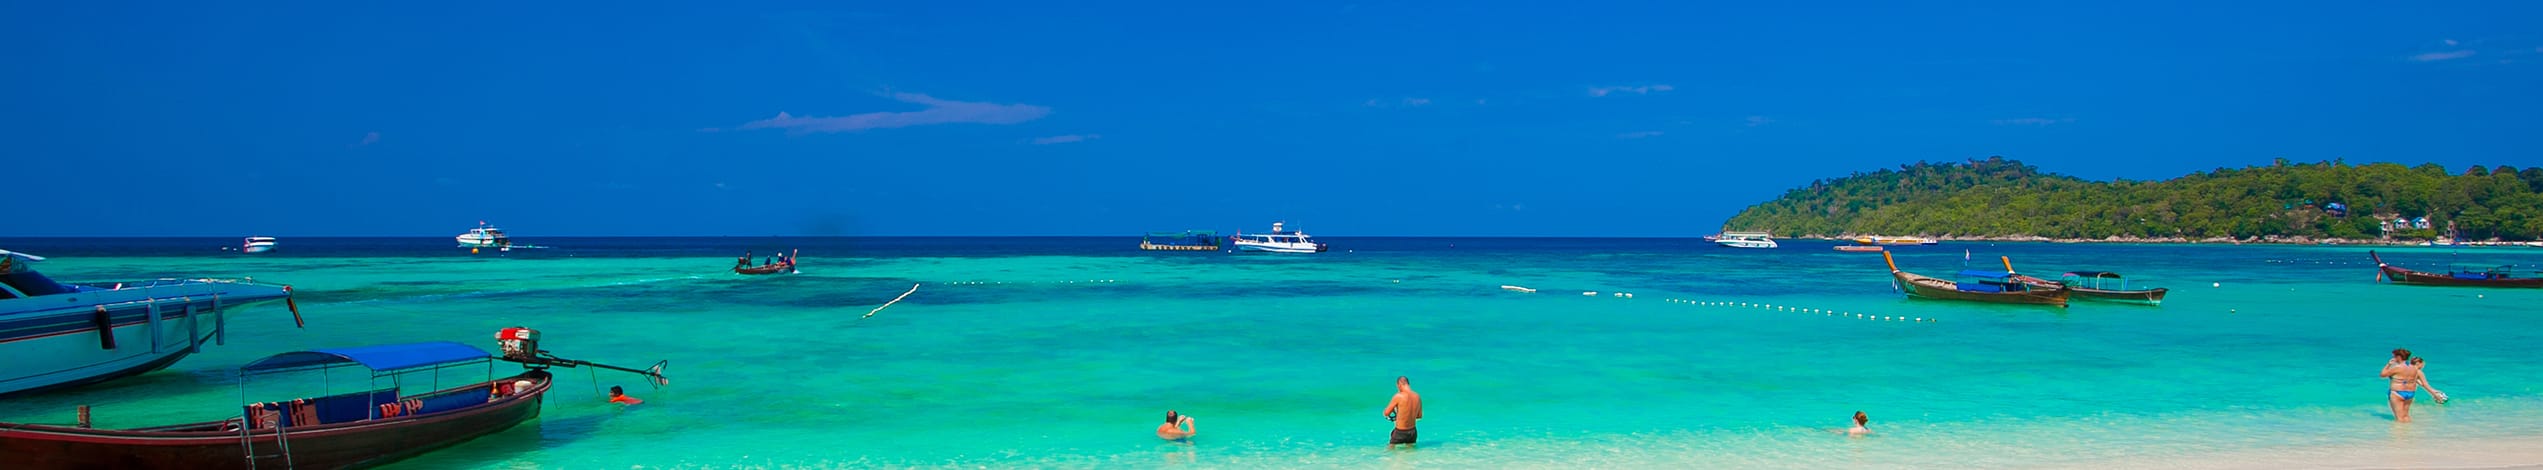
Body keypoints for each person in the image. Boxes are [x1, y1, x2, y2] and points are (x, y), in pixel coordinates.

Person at [1383, 376, 1422, 449]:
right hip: (1413, 432)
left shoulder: (1398, 396)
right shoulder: (1417, 396)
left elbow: (1386, 413)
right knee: (1410, 453)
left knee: (1390, 452)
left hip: (1400, 432)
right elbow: (1419, 416)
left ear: (1399, 385)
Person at [2381, 348, 2420, 422]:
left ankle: (2400, 433)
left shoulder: (2397, 368)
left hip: (2398, 392)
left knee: (2399, 418)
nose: (2393, 358)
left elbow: (2382, 374)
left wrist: (2388, 364)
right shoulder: (2414, 368)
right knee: (2405, 415)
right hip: (2410, 392)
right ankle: (2409, 431)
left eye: (2395, 356)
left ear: (2399, 357)